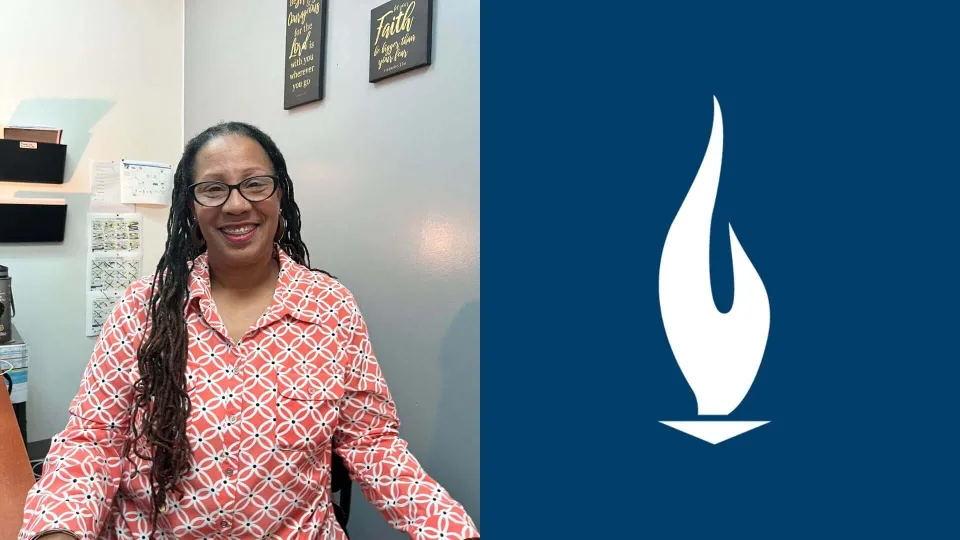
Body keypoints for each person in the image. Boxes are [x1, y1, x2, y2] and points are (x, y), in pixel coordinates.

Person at [19, 122, 480, 540]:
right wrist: (57, 531)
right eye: (213, 189)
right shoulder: (144, 306)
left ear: (280, 195)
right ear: (190, 206)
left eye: (255, 184)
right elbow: (93, 441)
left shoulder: (330, 308)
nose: (237, 204)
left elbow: (371, 442)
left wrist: (449, 530)